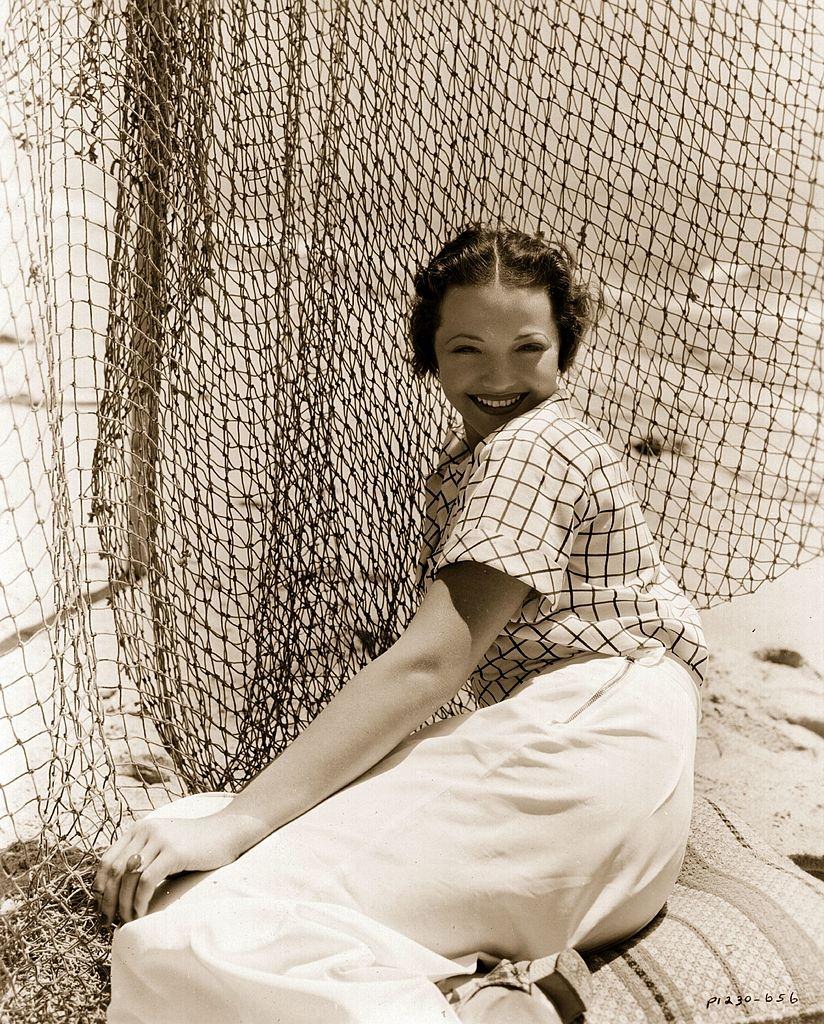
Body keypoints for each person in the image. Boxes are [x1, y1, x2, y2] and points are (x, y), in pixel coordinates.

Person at [99, 224, 706, 1024]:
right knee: (174, 849)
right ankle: (487, 995)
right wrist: (228, 822)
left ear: (566, 348)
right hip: (617, 808)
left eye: (528, 348)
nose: (499, 378)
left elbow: (430, 666)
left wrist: (242, 819)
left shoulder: (535, 446)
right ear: (430, 356)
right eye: (466, 350)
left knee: (193, 937)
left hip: (587, 745)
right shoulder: (509, 450)